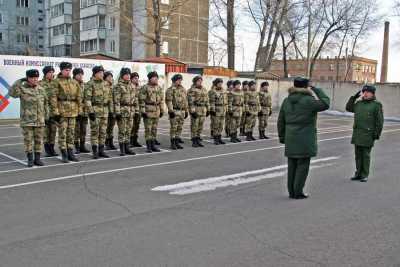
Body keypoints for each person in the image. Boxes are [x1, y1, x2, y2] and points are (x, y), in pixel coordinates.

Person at [277, 77, 330, 199]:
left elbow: (281, 121)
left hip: (290, 137)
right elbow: (326, 103)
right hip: (305, 137)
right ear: (307, 87)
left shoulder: (287, 100)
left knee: (292, 165)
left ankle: (291, 192)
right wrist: (317, 90)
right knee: (303, 165)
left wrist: (282, 136)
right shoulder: (308, 100)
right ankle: (298, 192)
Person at [9, 69, 48, 167]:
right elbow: (12, 93)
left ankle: (37, 159)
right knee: (28, 141)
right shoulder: (22, 89)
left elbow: (46, 104)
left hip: (40, 120)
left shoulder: (41, 89)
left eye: (36, 77)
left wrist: (46, 116)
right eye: (32, 77)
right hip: (27, 121)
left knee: (39, 140)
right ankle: (30, 159)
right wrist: (19, 81)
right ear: (28, 78)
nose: (35, 79)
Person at [346, 85, 384, 182]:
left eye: (368, 92)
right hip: (358, 133)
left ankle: (364, 174)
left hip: (368, 134)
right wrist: (353, 98)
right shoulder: (359, 103)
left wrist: (376, 134)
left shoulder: (376, 105)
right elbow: (348, 108)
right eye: (364, 92)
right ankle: (358, 173)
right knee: (358, 155)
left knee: (365, 155)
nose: (365, 93)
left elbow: (379, 122)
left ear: (373, 94)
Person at [50, 62, 81, 163]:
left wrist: (80, 111)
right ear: (61, 70)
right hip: (62, 111)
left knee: (71, 133)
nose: (68, 72)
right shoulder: (56, 82)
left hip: (73, 111)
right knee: (63, 133)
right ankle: (64, 154)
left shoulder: (74, 82)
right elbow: (53, 97)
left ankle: (70, 152)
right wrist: (55, 112)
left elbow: (79, 97)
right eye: (66, 70)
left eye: (69, 70)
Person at [84, 66, 113, 159]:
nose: (102, 74)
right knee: (95, 132)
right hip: (95, 110)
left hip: (105, 111)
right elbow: (87, 99)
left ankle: (101, 150)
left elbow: (110, 99)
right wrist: (91, 112)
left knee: (103, 132)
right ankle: (95, 151)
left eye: (102, 72)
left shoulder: (106, 84)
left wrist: (111, 111)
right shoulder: (90, 84)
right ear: (95, 73)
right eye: (100, 72)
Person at [139, 71, 164, 153]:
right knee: (148, 129)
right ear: (150, 79)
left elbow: (161, 100)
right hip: (148, 110)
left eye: (157, 78)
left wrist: (162, 110)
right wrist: (143, 111)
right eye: (154, 78)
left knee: (154, 129)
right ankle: (148, 146)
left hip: (156, 111)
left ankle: (153, 145)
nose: (156, 79)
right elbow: (141, 100)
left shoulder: (159, 88)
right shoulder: (145, 87)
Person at [114, 68, 136, 156]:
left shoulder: (132, 86)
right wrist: (117, 112)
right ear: (122, 75)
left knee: (129, 130)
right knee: (122, 130)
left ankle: (127, 148)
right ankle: (122, 149)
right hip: (122, 110)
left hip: (130, 111)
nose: (128, 76)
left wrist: (136, 110)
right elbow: (116, 101)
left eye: (129, 74)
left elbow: (135, 99)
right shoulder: (118, 86)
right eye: (126, 74)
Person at [165, 74, 188, 150]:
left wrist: (186, 110)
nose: (180, 81)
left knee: (180, 127)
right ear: (174, 81)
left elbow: (185, 101)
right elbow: (169, 101)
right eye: (178, 80)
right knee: (174, 128)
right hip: (174, 110)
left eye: (181, 80)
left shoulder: (183, 89)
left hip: (182, 111)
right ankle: (173, 143)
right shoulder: (170, 90)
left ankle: (177, 142)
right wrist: (171, 111)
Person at [40, 66, 58, 157]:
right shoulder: (40, 84)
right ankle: (47, 150)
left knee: (53, 131)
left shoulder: (55, 83)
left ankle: (52, 148)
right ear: (45, 73)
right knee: (46, 132)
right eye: (50, 72)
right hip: (45, 112)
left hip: (54, 111)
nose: (51, 74)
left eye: (52, 72)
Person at [187, 76, 209, 147]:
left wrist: (208, 109)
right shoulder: (192, 90)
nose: (200, 82)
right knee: (194, 126)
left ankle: (198, 139)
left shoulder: (204, 89)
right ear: (195, 82)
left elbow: (207, 100)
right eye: (198, 81)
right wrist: (192, 111)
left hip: (202, 109)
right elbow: (191, 102)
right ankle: (194, 140)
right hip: (196, 108)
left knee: (200, 126)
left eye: (201, 81)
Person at [73, 68, 90, 154]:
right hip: (75, 110)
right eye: (78, 74)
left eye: (81, 74)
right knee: (76, 130)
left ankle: (82, 146)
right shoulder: (72, 84)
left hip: (84, 110)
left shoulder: (84, 84)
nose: (80, 76)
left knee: (83, 129)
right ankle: (76, 147)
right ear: (74, 75)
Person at [208, 78, 227, 145]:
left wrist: (226, 109)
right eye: (219, 83)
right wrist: (212, 110)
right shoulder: (212, 91)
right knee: (216, 125)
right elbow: (211, 101)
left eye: (221, 83)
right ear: (216, 84)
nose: (220, 84)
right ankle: (216, 138)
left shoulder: (224, 91)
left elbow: (226, 101)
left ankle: (219, 138)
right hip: (216, 109)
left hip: (223, 109)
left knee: (221, 125)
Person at [104, 71, 117, 150]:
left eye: (111, 77)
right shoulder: (104, 87)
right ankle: (106, 142)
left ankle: (111, 142)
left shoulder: (114, 87)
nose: (111, 79)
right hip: (106, 110)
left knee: (111, 127)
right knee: (106, 127)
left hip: (114, 110)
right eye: (109, 77)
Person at [129, 72, 142, 148]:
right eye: (135, 78)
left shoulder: (139, 87)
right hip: (131, 109)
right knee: (131, 126)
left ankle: (135, 140)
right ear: (131, 79)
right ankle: (130, 141)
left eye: (137, 78)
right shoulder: (129, 87)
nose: (137, 80)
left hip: (138, 109)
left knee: (137, 126)